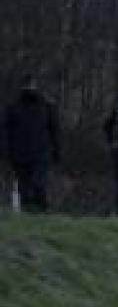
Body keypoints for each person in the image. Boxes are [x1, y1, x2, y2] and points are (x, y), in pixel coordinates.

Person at [2, 74, 60, 212]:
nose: (29, 88)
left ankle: (42, 209)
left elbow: (55, 130)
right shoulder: (13, 108)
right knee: (24, 186)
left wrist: (57, 151)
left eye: (31, 85)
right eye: (27, 85)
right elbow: (5, 131)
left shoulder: (47, 106)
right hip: (19, 155)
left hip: (41, 154)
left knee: (38, 183)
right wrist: (5, 151)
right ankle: (28, 212)